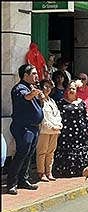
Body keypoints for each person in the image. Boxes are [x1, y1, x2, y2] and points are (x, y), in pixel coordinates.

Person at [6, 64, 44, 194]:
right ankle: (12, 183)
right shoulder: (20, 88)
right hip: (23, 127)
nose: (36, 76)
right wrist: (32, 94)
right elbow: (25, 97)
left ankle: (23, 179)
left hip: (33, 128)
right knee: (21, 153)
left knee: (28, 154)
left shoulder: (32, 88)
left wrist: (40, 98)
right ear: (25, 75)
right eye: (33, 74)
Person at [53, 80, 88, 178]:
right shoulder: (61, 103)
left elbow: (85, 116)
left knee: (78, 149)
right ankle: (64, 170)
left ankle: (79, 169)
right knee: (66, 149)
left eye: (73, 89)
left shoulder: (81, 103)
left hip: (79, 131)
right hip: (66, 131)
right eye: (69, 88)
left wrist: (87, 128)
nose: (71, 90)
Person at [36, 79, 62, 182]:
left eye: (50, 87)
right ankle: (41, 172)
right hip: (45, 130)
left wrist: (58, 125)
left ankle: (49, 172)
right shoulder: (39, 100)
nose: (48, 89)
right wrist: (50, 126)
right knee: (42, 152)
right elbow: (42, 116)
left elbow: (57, 114)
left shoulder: (52, 101)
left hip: (55, 130)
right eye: (46, 86)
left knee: (51, 152)